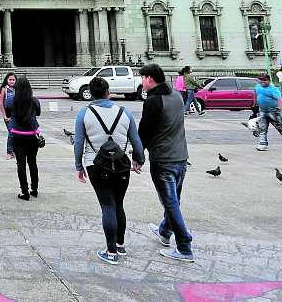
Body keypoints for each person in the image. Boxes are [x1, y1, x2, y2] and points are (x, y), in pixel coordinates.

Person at [74, 76, 145, 265]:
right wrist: (139, 159)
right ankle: (120, 244)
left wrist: (78, 166)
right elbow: (136, 139)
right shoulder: (124, 112)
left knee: (107, 205)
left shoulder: (84, 113)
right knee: (118, 204)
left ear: (91, 93)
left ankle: (111, 251)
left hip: (95, 164)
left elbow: (79, 143)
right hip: (121, 164)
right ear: (108, 92)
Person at [137, 62, 194, 262]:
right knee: (173, 201)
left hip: (163, 159)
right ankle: (164, 231)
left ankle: (184, 246)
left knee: (170, 204)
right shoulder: (177, 96)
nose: (141, 83)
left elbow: (145, 131)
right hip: (181, 157)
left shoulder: (154, 101)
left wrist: (138, 156)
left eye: (142, 79)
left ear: (149, 79)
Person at [4, 76, 41, 201]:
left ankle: (24, 192)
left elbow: (8, 114)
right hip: (32, 135)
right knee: (32, 163)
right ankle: (34, 189)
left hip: (17, 135)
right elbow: (38, 113)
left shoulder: (10, 101)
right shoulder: (35, 101)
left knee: (21, 164)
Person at [254, 72, 282, 149]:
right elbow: (255, 96)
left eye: (264, 80)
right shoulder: (257, 87)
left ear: (268, 80)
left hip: (273, 111)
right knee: (262, 128)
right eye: (261, 80)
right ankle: (263, 143)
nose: (262, 82)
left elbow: (278, 98)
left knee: (279, 127)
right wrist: (254, 105)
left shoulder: (272, 88)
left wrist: (279, 107)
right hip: (262, 111)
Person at [0, 72, 17, 160]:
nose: (12, 81)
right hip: (8, 115)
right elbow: (0, 103)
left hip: (16, 114)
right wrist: (4, 115)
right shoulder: (4, 89)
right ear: (7, 80)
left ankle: (14, 150)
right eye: (10, 79)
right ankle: (9, 151)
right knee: (11, 132)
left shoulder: (17, 89)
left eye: (13, 80)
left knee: (16, 133)